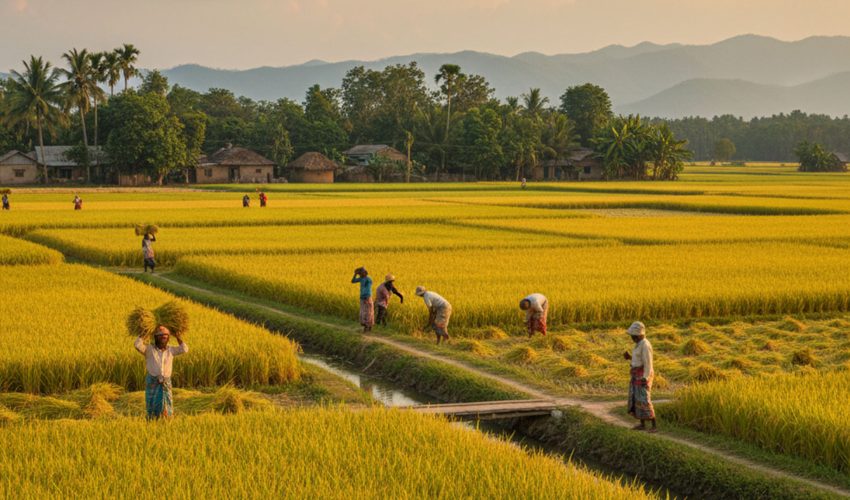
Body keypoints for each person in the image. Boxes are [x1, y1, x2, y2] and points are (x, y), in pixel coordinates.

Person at [134, 325, 188, 420]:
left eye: (166, 336)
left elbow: (184, 349)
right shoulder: (149, 349)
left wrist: (177, 336)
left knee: (167, 403)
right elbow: (137, 345)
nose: (163, 338)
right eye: (160, 336)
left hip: (166, 382)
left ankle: (166, 420)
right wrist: (145, 332)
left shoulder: (171, 350)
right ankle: (152, 420)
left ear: (168, 338)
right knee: (152, 403)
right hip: (153, 381)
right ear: (155, 338)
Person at [623, 321, 656, 433]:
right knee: (637, 398)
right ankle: (642, 424)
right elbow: (638, 360)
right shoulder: (638, 344)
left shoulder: (645, 345)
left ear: (638, 334)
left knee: (645, 399)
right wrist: (629, 358)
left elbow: (648, 363)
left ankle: (654, 425)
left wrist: (645, 378)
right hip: (636, 374)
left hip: (643, 375)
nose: (632, 337)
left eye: (633, 335)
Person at [351, 267, 374, 332]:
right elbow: (352, 281)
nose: (360, 274)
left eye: (361, 273)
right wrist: (355, 274)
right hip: (362, 297)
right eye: (360, 274)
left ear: (365, 273)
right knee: (363, 311)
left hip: (367, 297)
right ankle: (367, 326)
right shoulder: (361, 279)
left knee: (368, 312)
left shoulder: (368, 279)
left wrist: (366, 296)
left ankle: (368, 326)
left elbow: (368, 289)